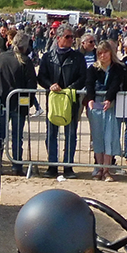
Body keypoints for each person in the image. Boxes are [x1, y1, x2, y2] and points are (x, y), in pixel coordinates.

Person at [38, 25, 87, 179]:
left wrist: (71, 88)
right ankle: (52, 166)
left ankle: (68, 166)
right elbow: (41, 76)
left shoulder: (78, 57)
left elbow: (83, 77)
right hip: (53, 101)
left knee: (71, 134)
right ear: (58, 38)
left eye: (72, 37)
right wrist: (50, 85)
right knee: (51, 134)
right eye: (67, 37)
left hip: (71, 100)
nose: (71, 39)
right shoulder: (48, 56)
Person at [81, 40, 127, 180]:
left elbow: (115, 84)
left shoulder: (118, 67)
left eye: (105, 52)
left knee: (110, 137)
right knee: (97, 137)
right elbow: (89, 84)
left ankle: (107, 169)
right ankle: (99, 168)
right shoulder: (93, 68)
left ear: (110, 53)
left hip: (112, 105)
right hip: (96, 105)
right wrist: (90, 99)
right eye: (100, 53)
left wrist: (109, 99)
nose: (103, 55)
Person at [0, 31, 38, 164]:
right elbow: (32, 84)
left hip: (3, 100)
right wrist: (30, 102)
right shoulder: (25, 61)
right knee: (17, 136)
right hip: (19, 103)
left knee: (0, 136)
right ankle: (16, 164)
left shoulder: (2, 57)